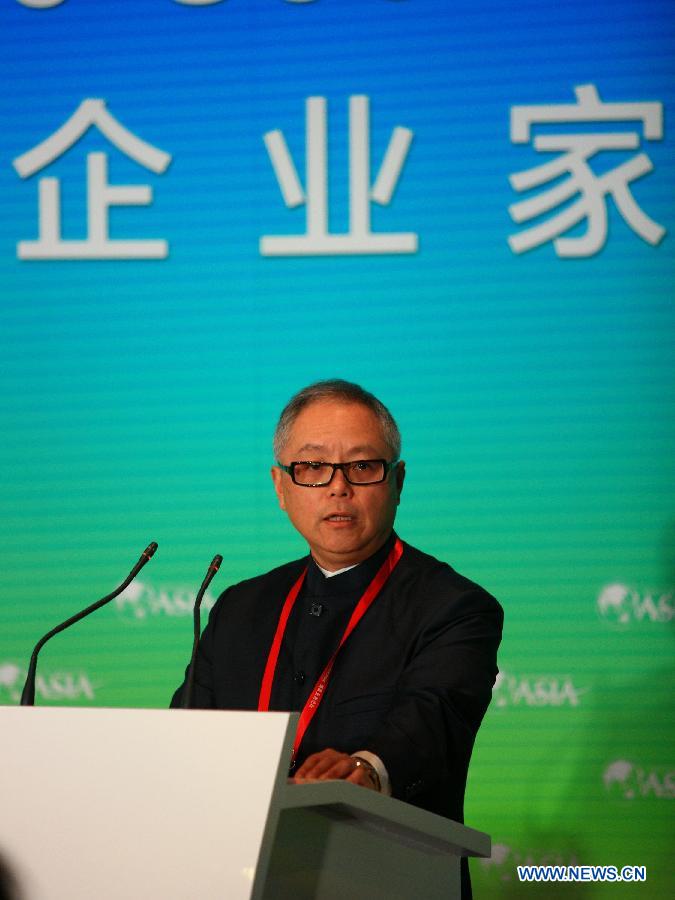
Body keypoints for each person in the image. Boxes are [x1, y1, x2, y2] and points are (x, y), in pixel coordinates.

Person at [172, 380, 502, 895]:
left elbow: (434, 717)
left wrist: (367, 770)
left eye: (362, 466)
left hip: (388, 878)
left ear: (398, 482)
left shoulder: (453, 606)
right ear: (281, 487)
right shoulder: (240, 607)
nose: (337, 486)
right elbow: (187, 739)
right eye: (312, 467)